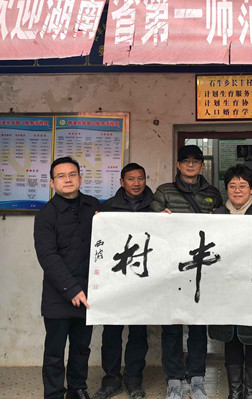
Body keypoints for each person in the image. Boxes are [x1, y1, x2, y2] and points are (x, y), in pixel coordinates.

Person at [150, 145, 223, 399]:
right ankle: (173, 379)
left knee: (198, 327)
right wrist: (158, 217)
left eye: (195, 161)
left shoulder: (213, 193)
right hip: (171, 268)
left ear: (202, 165)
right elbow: (150, 225)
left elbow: (223, 228)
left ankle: (196, 378)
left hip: (201, 269)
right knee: (171, 327)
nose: (191, 165)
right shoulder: (164, 192)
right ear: (178, 165)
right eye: (186, 161)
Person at [34, 156, 100, 399]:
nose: (68, 179)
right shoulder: (45, 215)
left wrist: (159, 218)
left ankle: (77, 388)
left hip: (89, 291)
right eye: (61, 176)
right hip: (58, 294)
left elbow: (117, 229)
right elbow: (47, 256)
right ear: (52, 183)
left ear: (80, 179)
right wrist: (71, 289)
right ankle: (53, 393)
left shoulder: (94, 206)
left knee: (81, 347)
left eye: (72, 174)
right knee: (55, 351)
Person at [208, 164, 252, 399]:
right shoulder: (216, 216)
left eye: (242, 186)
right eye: (232, 186)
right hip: (225, 289)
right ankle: (235, 392)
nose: (237, 190)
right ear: (226, 189)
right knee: (231, 339)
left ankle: (251, 392)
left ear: (251, 189)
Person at [92, 163, 154, 399]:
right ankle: (111, 379)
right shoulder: (107, 207)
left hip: (143, 279)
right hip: (115, 279)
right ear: (121, 182)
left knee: (138, 333)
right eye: (131, 179)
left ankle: (134, 379)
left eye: (140, 178)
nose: (136, 183)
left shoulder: (155, 206)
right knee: (111, 331)